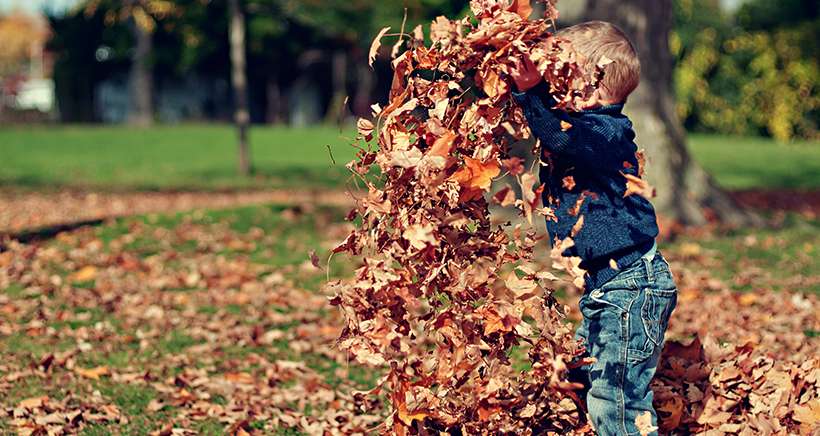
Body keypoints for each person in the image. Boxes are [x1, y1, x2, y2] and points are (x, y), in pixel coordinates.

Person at [510, 21, 678, 436]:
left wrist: (530, 93)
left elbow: (560, 137)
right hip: (610, 287)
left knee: (616, 401)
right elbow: (557, 126)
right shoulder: (589, 129)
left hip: (630, 289)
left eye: (561, 77)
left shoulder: (605, 132)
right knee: (585, 374)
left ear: (590, 86)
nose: (553, 88)